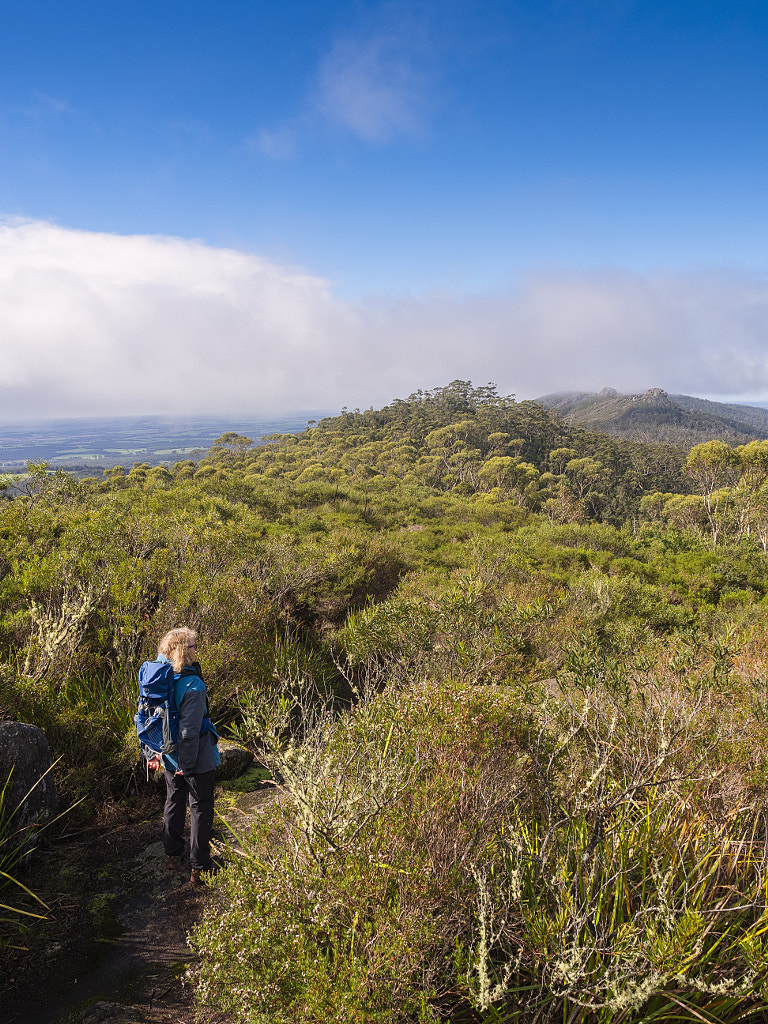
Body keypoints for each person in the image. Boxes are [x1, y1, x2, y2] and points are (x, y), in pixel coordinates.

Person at [154, 627, 220, 885]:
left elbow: (150, 719)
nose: (196, 649)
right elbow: (189, 732)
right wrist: (188, 764)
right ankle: (200, 866)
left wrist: (155, 753)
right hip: (193, 758)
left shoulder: (161, 680)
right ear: (184, 650)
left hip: (169, 755)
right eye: (193, 645)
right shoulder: (193, 684)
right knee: (201, 806)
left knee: (174, 800)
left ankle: (173, 854)